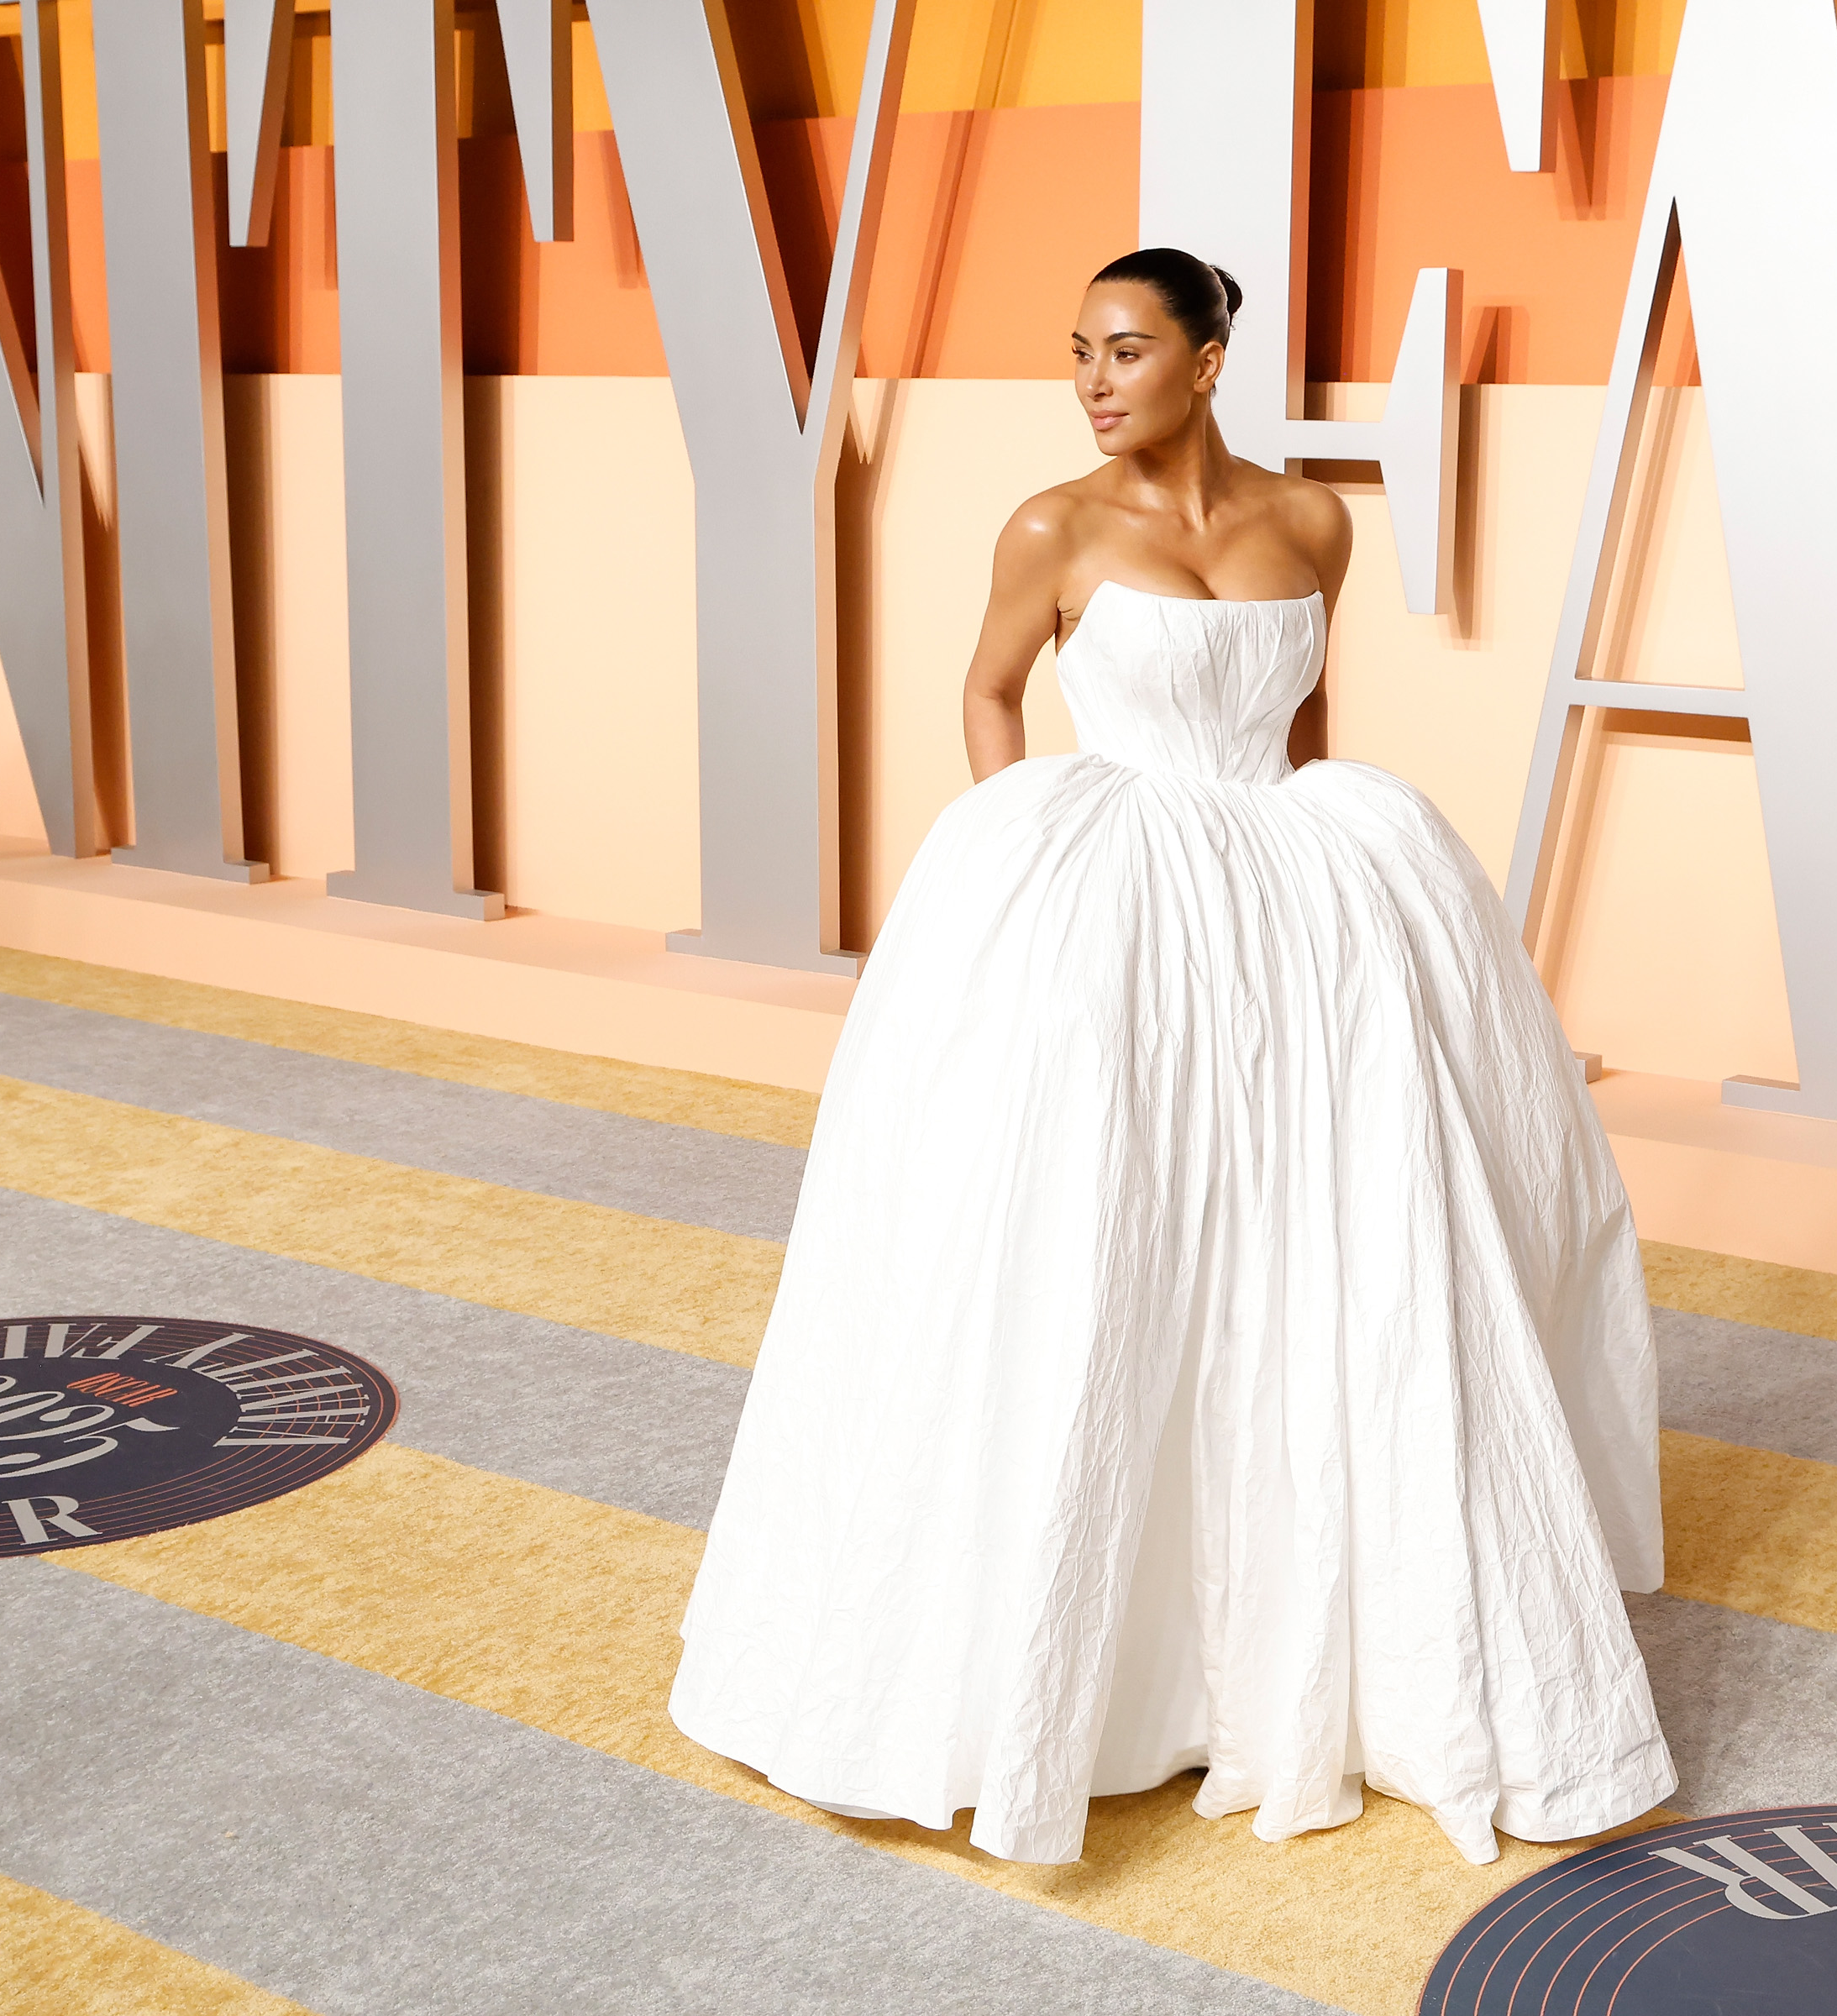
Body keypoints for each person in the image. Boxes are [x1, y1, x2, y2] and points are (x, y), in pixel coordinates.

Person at [670, 248, 1673, 1867]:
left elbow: (1302, 727)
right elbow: (992, 694)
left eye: (1126, 349)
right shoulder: (1051, 530)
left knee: (1328, 1243)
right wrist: (1020, 859)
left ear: (1209, 360)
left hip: (1293, 891)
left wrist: (1324, 890)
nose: (1092, 379)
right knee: (1101, 1242)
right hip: (1110, 899)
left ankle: (1326, 1646)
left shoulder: (1314, 523)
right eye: (1077, 351)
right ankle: (1082, 1659)